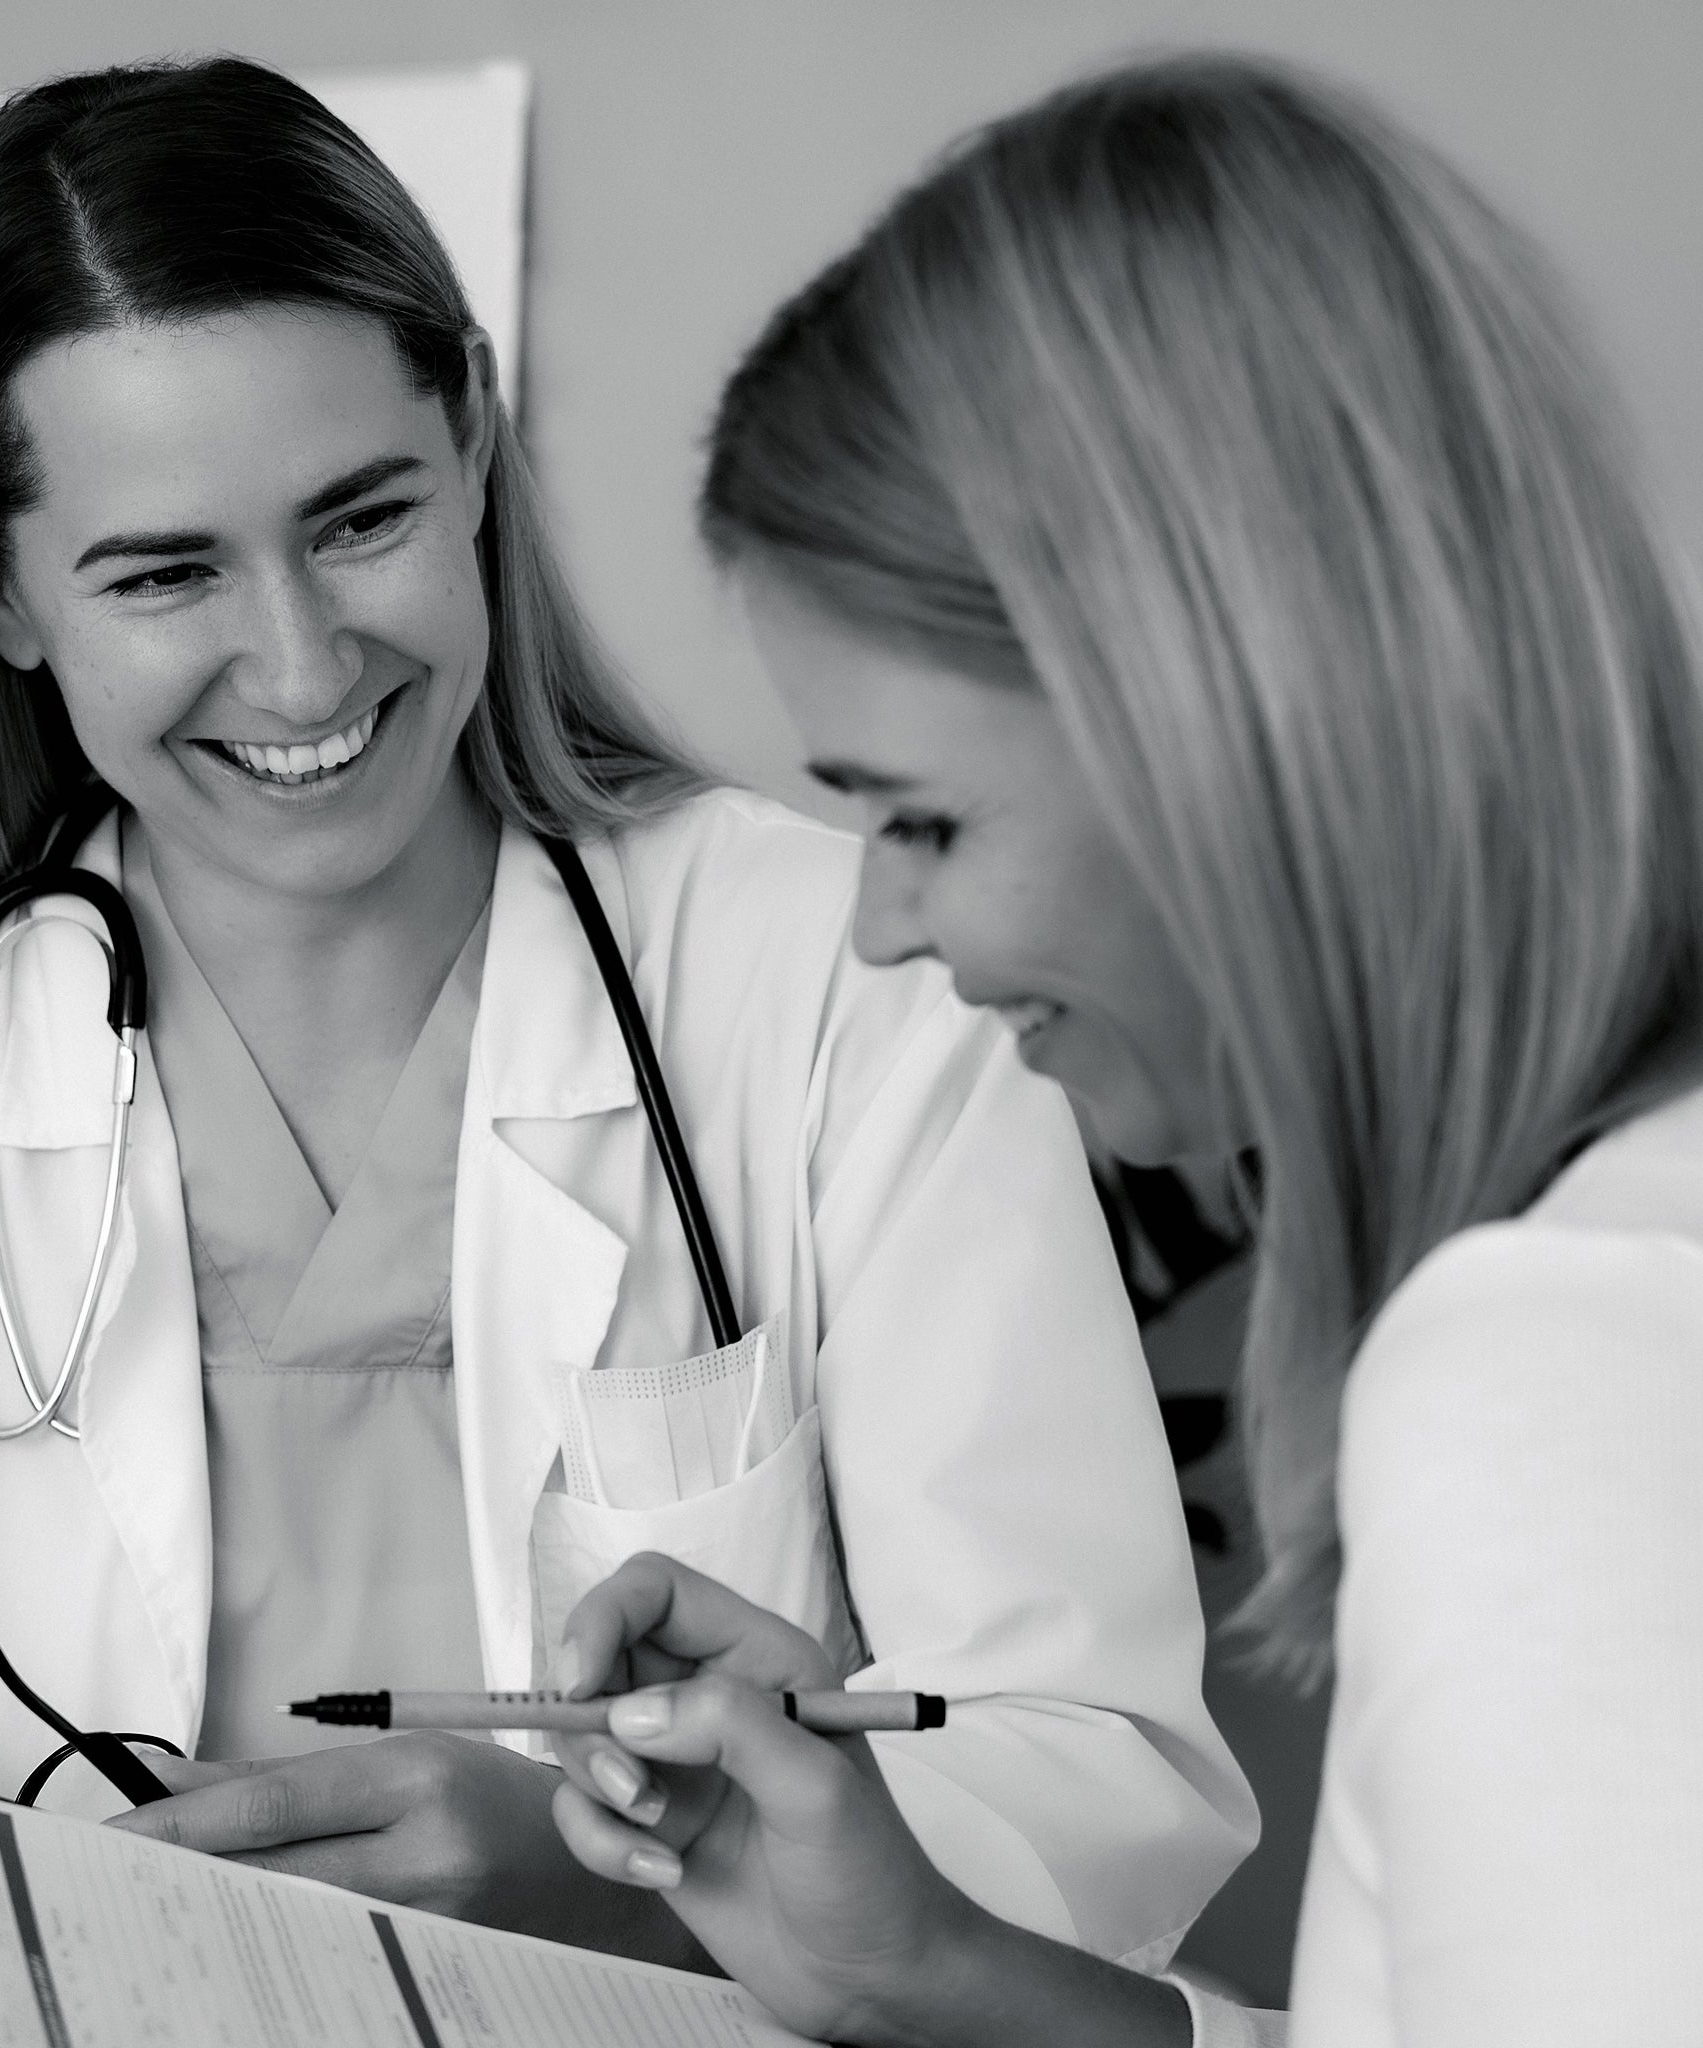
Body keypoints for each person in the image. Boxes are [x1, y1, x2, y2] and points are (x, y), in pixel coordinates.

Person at [0, 58, 1252, 1963]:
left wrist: (621, 1875)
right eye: (164, 572)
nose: (301, 666)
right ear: (0, 592)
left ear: (474, 444)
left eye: (360, 520)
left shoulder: (843, 981)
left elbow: (1095, 1773)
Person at [538, 54, 1703, 2043]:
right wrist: (937, 1971)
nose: (884, 927)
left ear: (1219, 727)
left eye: (921, 819)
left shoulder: (1560, 1364)